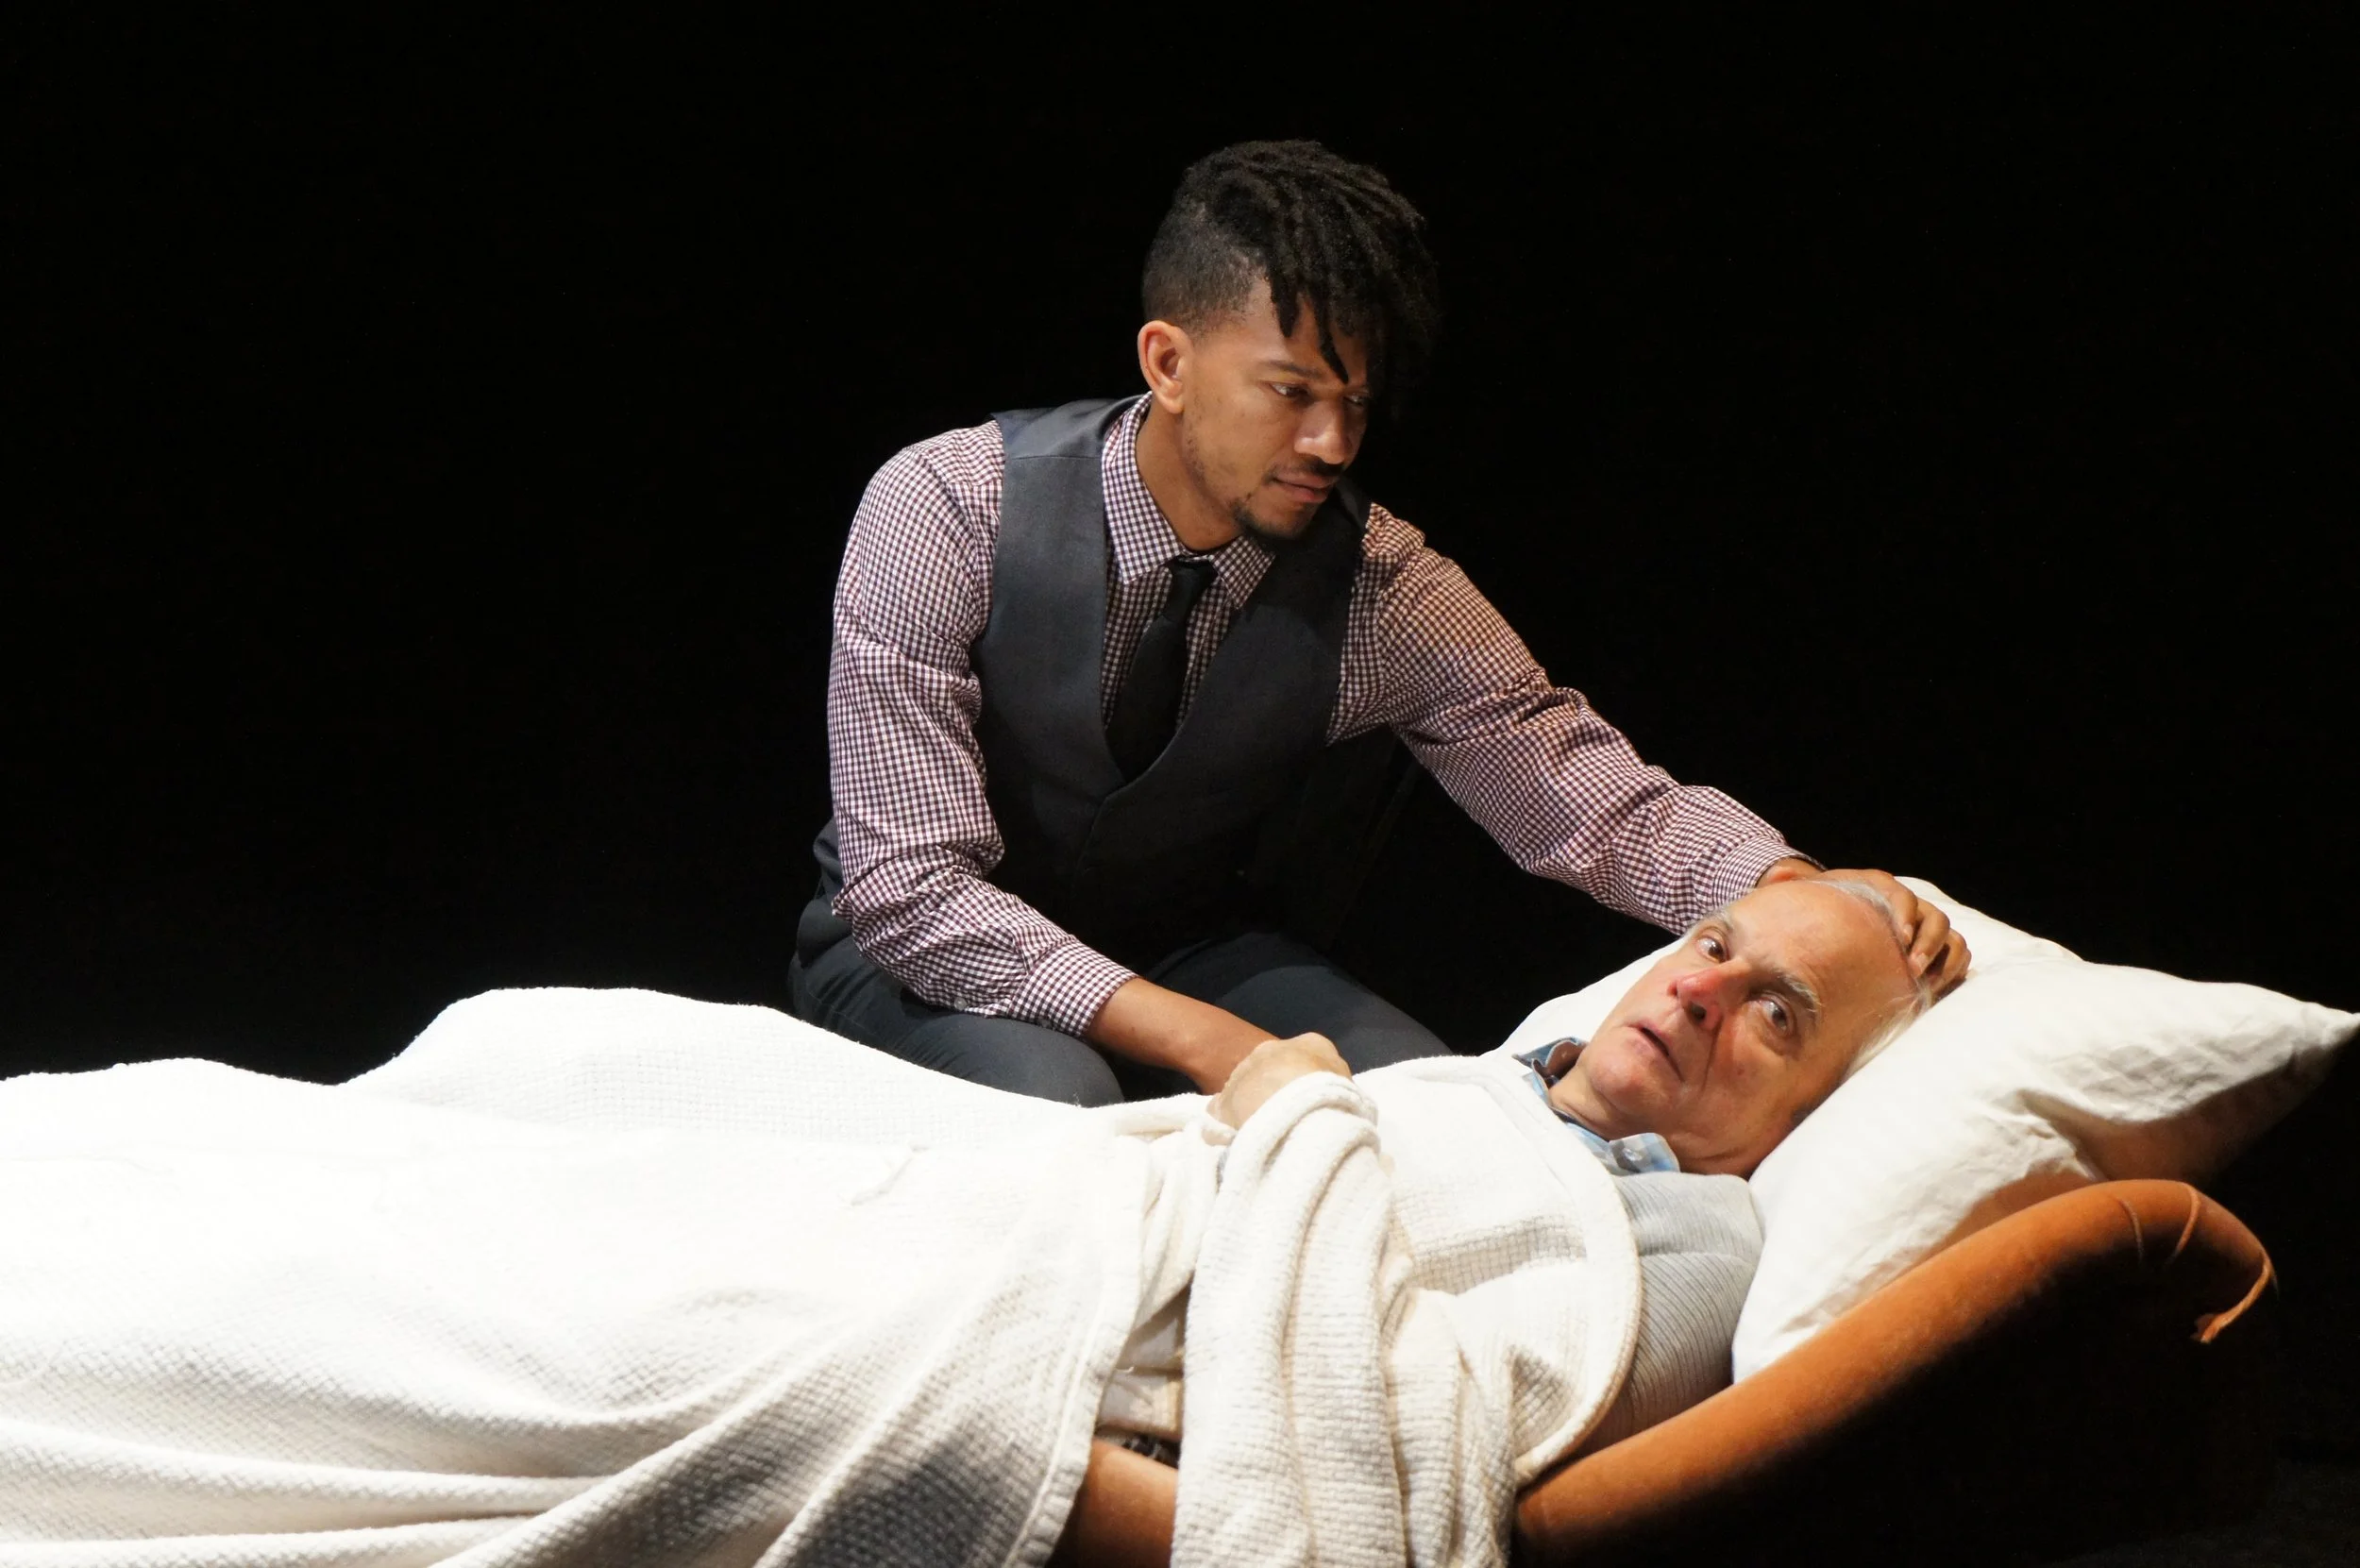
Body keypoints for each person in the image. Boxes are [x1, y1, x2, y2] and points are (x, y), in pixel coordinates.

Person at [0, 876, 1932, 1567]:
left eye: (1778, 1011)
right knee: (554, 1054)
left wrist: (1294, 1119)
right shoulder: (1487, 1080)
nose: (1703, 987)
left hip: (1087, 1305)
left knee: (585, 1329)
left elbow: (1426, 1406)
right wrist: (1294, 1107)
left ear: (1811, 1107)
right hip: (1042, 1178)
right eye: (1712, 942)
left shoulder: (1696, 1241)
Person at [791, 138, 1966, 1106]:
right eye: (1291, 392)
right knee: (1065, 1100)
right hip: (910, 957)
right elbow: (912, 888)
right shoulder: (950, 504)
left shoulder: (1380, 582)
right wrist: (1214, 1044)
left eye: (1354, 401)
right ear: (1169, 361)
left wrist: (1801, 892)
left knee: (1427, 1109)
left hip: (1184, 945)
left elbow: (1583, 790)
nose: (1332, 443)